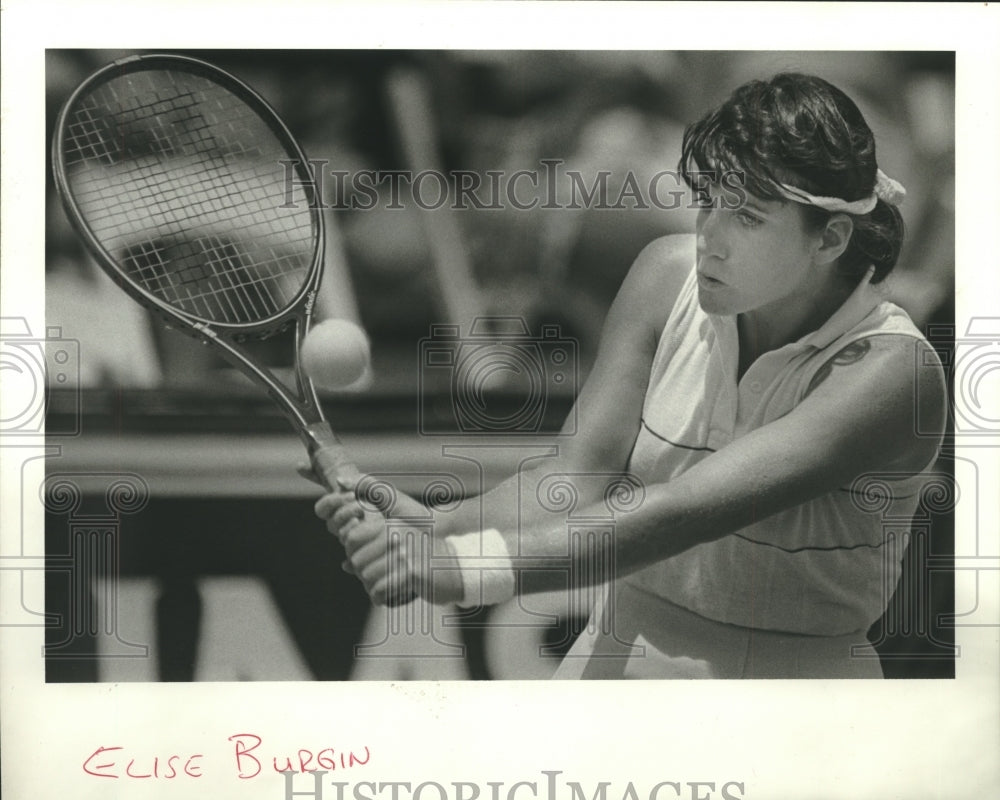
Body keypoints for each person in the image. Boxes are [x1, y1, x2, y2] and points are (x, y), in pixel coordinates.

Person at [313, 73, 948, 679]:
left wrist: (459, 567)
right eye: (708, 204)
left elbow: (681, 511)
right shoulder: (664, 276)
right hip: (613, 658)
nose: (709, 238)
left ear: (832, 238)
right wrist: (437, 525)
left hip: (793, 698)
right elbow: (574, 475)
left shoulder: (891, 371)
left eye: (748, 216)